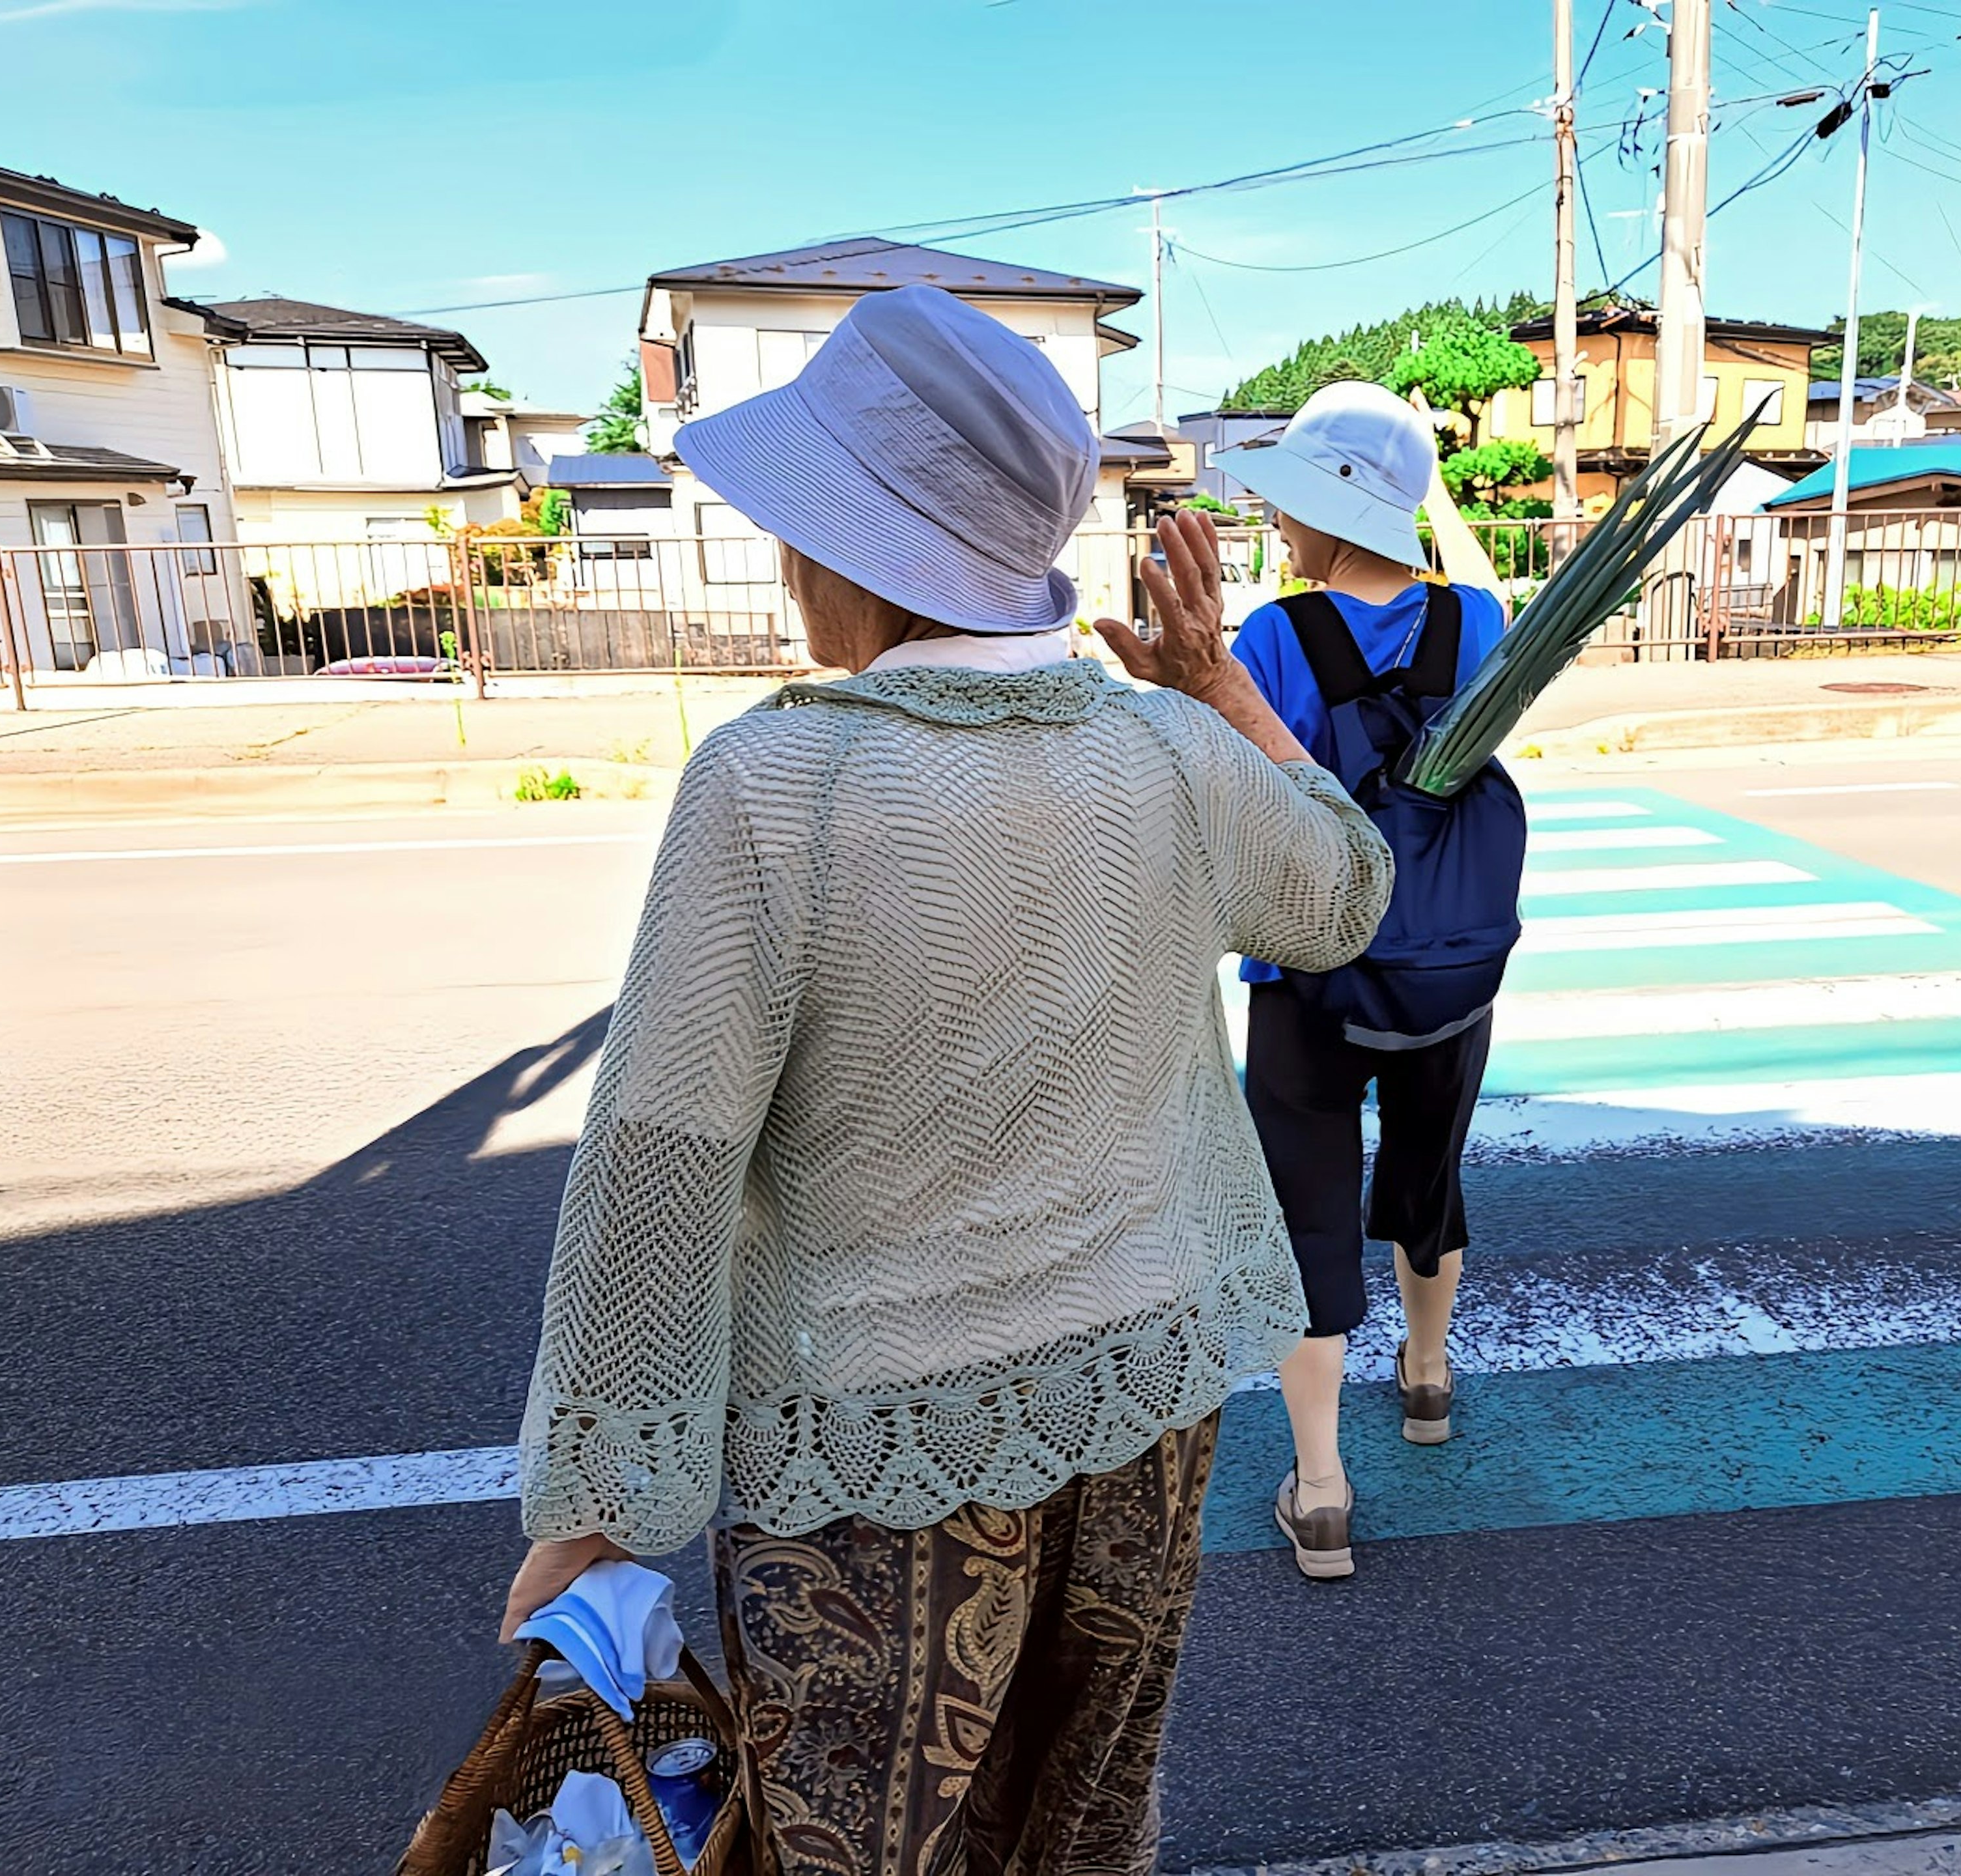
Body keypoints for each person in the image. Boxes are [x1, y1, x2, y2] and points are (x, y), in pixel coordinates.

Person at [499, 284, 1392, 1876]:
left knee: (862, 1845)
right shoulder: (1172, 753)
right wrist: (1226, 694)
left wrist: (599, 1500)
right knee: (1086, 1826)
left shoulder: (779, 780)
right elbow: (1341, 893)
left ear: (855, 553)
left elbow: (665, 1149)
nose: (786, 563)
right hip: (1148, 1389)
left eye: (798, 529)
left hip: (871, 1448)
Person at [1212, 382, 1515, 1580]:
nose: (1282, 526)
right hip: (1448, 973)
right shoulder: (1481, 622)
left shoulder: (1275, 640)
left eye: (1297, 504)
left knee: (1309, 1215)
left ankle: (1323, 1487)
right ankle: (1430, 1381)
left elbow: (1239, 796)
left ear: (1337, 509)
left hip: (1309, 974)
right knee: (1427, 1174)